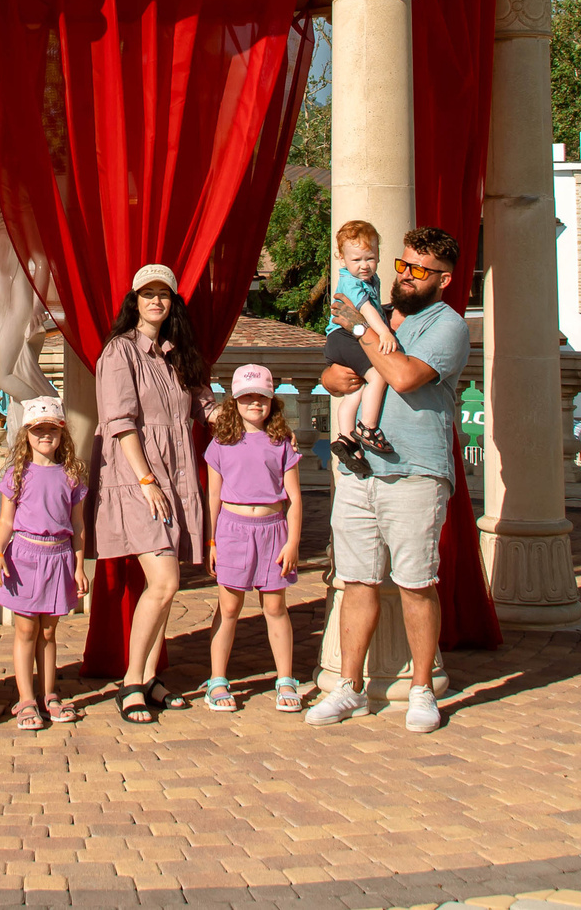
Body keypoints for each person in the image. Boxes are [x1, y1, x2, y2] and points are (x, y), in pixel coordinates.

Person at [305, 225, 472, 735]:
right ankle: (349, 687)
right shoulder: (379, 310)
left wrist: (360, 331)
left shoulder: (449, 326)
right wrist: (330, 375)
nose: (405, 275)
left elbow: (403, 376)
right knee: (356, 581)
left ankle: (422, 689)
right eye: (402, 265)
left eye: (419, 270)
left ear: (443, 280)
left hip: (416, 471)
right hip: (359, 471)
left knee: (417, 584)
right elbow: (335, 373)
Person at [94, 263, 212, 724]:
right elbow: (120, 423)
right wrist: (146, 481)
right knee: (164, 582)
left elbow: (203, 402)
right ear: (135, 300)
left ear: (173, 302)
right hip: (137, 476)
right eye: (148, 294)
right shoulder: (119, 352)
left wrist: (247, 415)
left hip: (177, 475)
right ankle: (130, 684)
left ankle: (146, 677)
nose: (156, 301)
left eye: (164, 295)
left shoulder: (176, 353)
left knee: (163, 587)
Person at [202, 363, 305, 713]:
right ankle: (217, 680)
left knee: (275, 607)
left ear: (271, 401)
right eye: (247, 398)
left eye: (261, 398)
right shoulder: (220, 443)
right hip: (232, 530)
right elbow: (213, 495)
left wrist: (292, 542)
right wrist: (212, 541)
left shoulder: (281, 443)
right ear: (234, 402)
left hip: (273, 530)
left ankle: (285, 678)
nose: (254, 404)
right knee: (229, 607)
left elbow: (294, 498)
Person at [0, 396, 88, 728]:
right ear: (26, 434)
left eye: (52, 430)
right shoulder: (17, 474)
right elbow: (5, 521)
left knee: (48, 631)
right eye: (38, 430)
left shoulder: (71, 475)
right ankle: (26, 698)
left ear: (62, 435)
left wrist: (78, 566)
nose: (45, 436)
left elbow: (77, 526)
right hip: (25, 557)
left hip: (58, 556)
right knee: (26, 629)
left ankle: (48, 694)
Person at [321, 220, 401, 475]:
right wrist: (385, 332)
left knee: (355, 389)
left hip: (340, 340)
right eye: (357, 260)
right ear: (341, 259)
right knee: (377, 374)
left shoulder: (368, 279)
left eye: (371, 258)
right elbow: (365, 309)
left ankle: (346, 438)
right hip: (345, 336)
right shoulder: (353, 283)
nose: (364, 265)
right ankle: (368, 427)